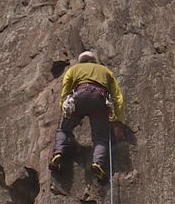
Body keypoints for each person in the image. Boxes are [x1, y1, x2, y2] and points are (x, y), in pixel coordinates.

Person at [49, 51, 125, 180]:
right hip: (98, 101)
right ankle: (98, 163)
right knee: (101, 138)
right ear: (94, 60)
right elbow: (117, 96)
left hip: (79, 97)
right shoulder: (105, 71)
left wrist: (64, 109)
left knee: (63, 129)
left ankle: (58, 152)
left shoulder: (74, 69)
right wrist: (117, 119)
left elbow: (65, 90)